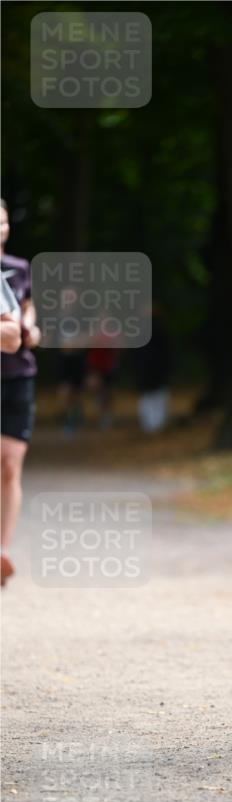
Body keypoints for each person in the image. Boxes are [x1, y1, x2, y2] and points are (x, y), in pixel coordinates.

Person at [1, 199, 41, 586]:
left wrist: (30, 327)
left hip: (16, 375)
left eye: (3, 222)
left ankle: (3, 550)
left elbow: (24, 314)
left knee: (10, 464)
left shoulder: (17, 269)